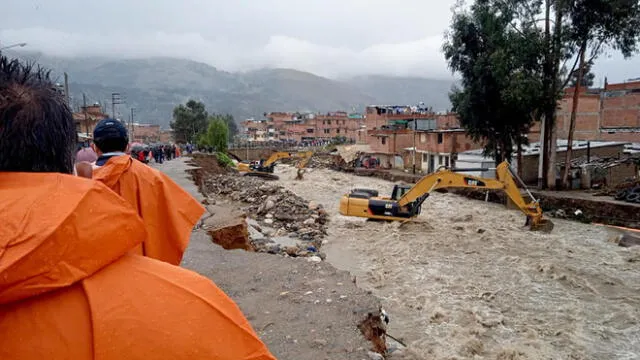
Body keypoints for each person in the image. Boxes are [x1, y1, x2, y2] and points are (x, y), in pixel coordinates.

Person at [0, 55, 275, 360]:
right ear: (129, 146)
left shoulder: (91, 181)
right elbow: (172, 226)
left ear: (91, 149)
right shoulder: (194, 309)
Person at [91, 119, 204, 265]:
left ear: (94, 147)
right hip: (143, 267)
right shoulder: (153, 177)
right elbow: (176, 219)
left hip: (97, 269)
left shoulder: (79, 180)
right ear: (127, 146)